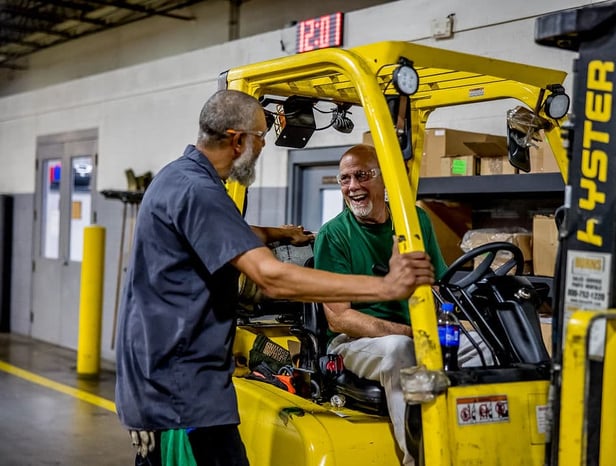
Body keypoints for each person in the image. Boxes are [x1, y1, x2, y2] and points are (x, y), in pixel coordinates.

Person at [115, 90, 435, 466]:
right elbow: (271, 278)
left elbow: (222, 231)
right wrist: (386, 286)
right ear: (237, 140)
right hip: (180, 387)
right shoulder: (198, 189)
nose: (263, 147)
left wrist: (280, 234)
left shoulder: (182, 178)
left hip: (179, 380)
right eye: (261, 137)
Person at [313, 144, 491, 466]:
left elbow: (435, 284)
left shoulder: (414, 221)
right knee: (399, 350)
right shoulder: (333, 235)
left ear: (385, 180)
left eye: (362, 176)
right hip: (355, 343)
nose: (353, 187)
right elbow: (340, 318)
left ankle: (476, 448)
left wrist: (442, 325)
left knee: (484, 346)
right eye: (345, 179)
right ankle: (420, 458)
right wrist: (412, 332)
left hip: (416, 330)